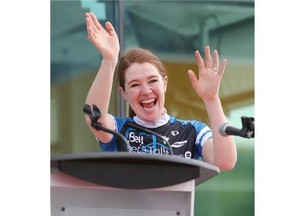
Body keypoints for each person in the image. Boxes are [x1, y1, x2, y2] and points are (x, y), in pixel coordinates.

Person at [84, 12, 237, 171]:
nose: (146, 90)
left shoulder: (192, 131)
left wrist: (212, 99)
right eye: (135, 85)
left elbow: (225, 162)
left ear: (164, 83)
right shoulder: (119, 130)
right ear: (123, 93)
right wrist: (109, 60)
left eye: (153, 81)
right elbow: (94, 117)